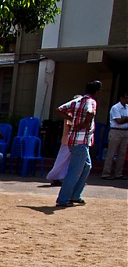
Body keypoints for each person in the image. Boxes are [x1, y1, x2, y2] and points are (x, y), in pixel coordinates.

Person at [55, 79, 102, 207]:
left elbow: (59, 110)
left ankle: (75, 195)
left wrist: (71, 118)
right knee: (74, 171)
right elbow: (90, 112)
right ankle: (64, 198)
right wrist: (84, 123)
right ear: (97, 91)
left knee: (87, 167)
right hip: (80, 142)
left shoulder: (77, 101)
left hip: (75, 141)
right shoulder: (90, 101)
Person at [46, 97, 81, 186]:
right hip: (68, 141)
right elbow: (70, 127)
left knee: (69, 161)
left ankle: (63, 178)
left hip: (73, 141)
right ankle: (54, 177)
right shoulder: (70, 114)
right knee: (62, 160)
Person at [101, 90, 128, 180]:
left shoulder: (127, 107)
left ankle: (118, 173)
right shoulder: (115, 108)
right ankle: (106, 173)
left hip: (125, 131)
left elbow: (122, 119)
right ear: (121, 98)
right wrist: (124, 119)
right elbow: (118, 121)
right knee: (111, 153)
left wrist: (124, 118)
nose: (127, 100)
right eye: (125, 98)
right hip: (116, 131)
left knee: (122, 154)